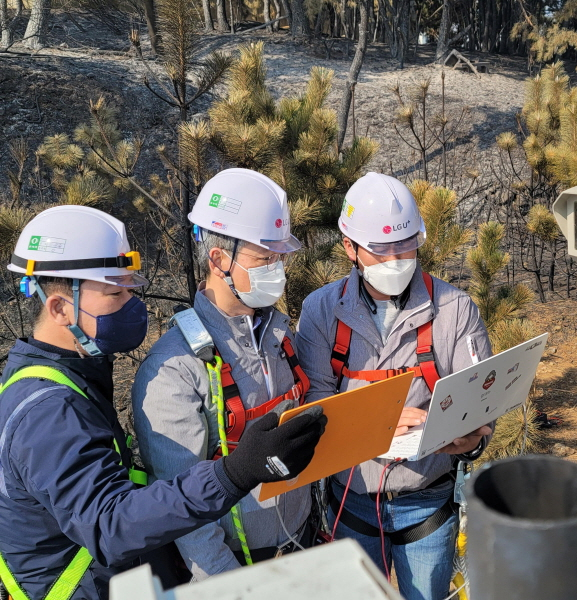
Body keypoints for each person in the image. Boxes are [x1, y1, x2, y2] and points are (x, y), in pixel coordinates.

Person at [0, 205, 326, 600]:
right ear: (59, 307)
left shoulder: (71, 381)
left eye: (129, 288)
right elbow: (111, 527)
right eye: (115, 292)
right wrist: (233, 474)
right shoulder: (50, 411)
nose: (131, 303)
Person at [296, 172, 493, 600]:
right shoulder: (322, 311)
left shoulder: (453, 310)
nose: (396, 259)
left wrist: (471, 438)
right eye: (380, 249)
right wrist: (375, 422)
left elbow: (481, 402)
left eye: (406, 244)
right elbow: (313, 402)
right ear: (349, 247)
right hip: (351, 503)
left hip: (426, 501)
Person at [132, 168, 315, 580]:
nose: (278, 268)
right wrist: (232, 588)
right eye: (265, 258)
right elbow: (185, 514)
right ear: (219, 259)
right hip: (238, 568)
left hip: (302, 545)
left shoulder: (280, 335)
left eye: (280, 256)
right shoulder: (175, 369)